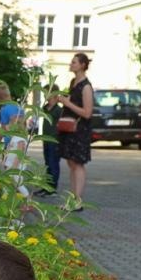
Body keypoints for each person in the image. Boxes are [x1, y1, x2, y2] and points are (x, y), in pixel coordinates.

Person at [55, 54, 95, 208]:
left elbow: (87, 112)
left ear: (82, 65)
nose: (70, 64)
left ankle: (77, 201)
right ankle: (72, 199)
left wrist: (67, 103)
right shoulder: (74, 82)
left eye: (74, 62)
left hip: (80, 130)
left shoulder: (86, 86)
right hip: (70, 130)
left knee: (78, 164)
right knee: (71, 163)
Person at [0, 82, 29, 197]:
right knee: (11, 173)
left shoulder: (5, 109)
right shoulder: (18, 106)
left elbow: (3, 129)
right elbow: (24, 123)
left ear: (1, 98)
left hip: (10, 142)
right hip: (19, 138)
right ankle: (9, 195)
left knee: (9, 171)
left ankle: (9, 195)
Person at [36, 85, 64, 197]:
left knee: (53, 163)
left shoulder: (58, 110)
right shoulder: (45, 107)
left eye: (46, 93)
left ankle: (52, 188)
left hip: (54, 140)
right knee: (47, 163)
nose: (44, 95)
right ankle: (46, 187)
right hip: (45, 139)